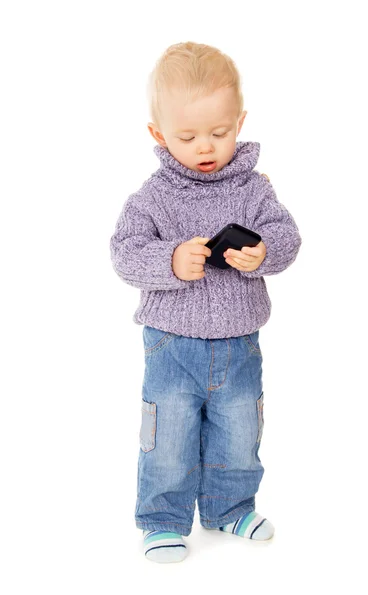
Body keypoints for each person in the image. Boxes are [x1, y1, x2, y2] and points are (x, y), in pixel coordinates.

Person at [110, 41, 302, 563]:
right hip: (171, 345)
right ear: (158, 134)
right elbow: (124, 252)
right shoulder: (152, 196)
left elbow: (286, 235)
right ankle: (162, 520)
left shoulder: (254, 189)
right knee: (167, 436)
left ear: (239, 121)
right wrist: (170, 262)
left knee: (240, 429)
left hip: (241, 342)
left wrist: (263, 251)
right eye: (187, 136)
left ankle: (230, 507)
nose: (205, 146)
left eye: (219, 132)